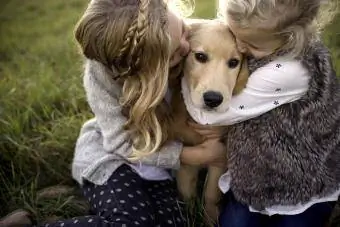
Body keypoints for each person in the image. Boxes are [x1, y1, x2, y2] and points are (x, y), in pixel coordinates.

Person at [0, 0, 227, 226]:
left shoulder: (176, 30)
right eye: (176, 54)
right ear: (143, 70)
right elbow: (121, 144)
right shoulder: (103, 76)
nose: (187, 47)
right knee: (131, 223)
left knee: (176, 222)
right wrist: (197, 156)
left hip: (161, 169)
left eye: (184, 30)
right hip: (114, 159)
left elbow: (239, 37)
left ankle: (81, 211)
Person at [186, 0, 340, 226]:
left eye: (250, 44)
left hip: (304, 183)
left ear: (289, 38)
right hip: (253, 176)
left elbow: (208, 116)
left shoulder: (290, 71)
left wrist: (189, 79)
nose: (238, 46)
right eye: (233, 33)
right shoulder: (263, 35)